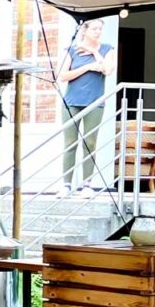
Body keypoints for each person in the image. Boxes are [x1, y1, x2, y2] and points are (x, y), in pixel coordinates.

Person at [55, 17, 115, 190]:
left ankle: (87, 185)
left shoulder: (106, 49)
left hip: (95, 102)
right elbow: (62, 76)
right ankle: (66, 185)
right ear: (84, 30)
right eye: (94, 29)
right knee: (70, 142)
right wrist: (87, 67)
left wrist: (94, 52)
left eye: (100, 29)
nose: (98, 32)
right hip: (72, 102)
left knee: (90, 143)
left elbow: (108, 70)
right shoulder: (71, 50)